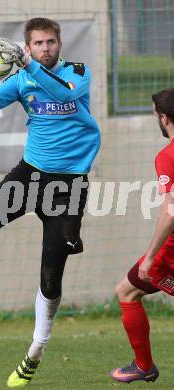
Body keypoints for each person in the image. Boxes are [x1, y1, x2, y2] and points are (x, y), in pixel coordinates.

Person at [0, 17, 101, 387]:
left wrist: (30, 66)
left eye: (51, 42)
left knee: (50, 278)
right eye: (38, 44)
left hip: (68, 187)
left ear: (59, 43)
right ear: (28, 45)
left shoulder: (77, 72)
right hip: (29, 176)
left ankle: (36, 350)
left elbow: (67, 94)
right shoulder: (21, 79)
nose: (45, 49)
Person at [110, 88, 174, 384]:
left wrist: (150, 257)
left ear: (163, 118)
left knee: (126, 291)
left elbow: (171, 212)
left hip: (170, 253)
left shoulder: (168, 156)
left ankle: (144, 365)